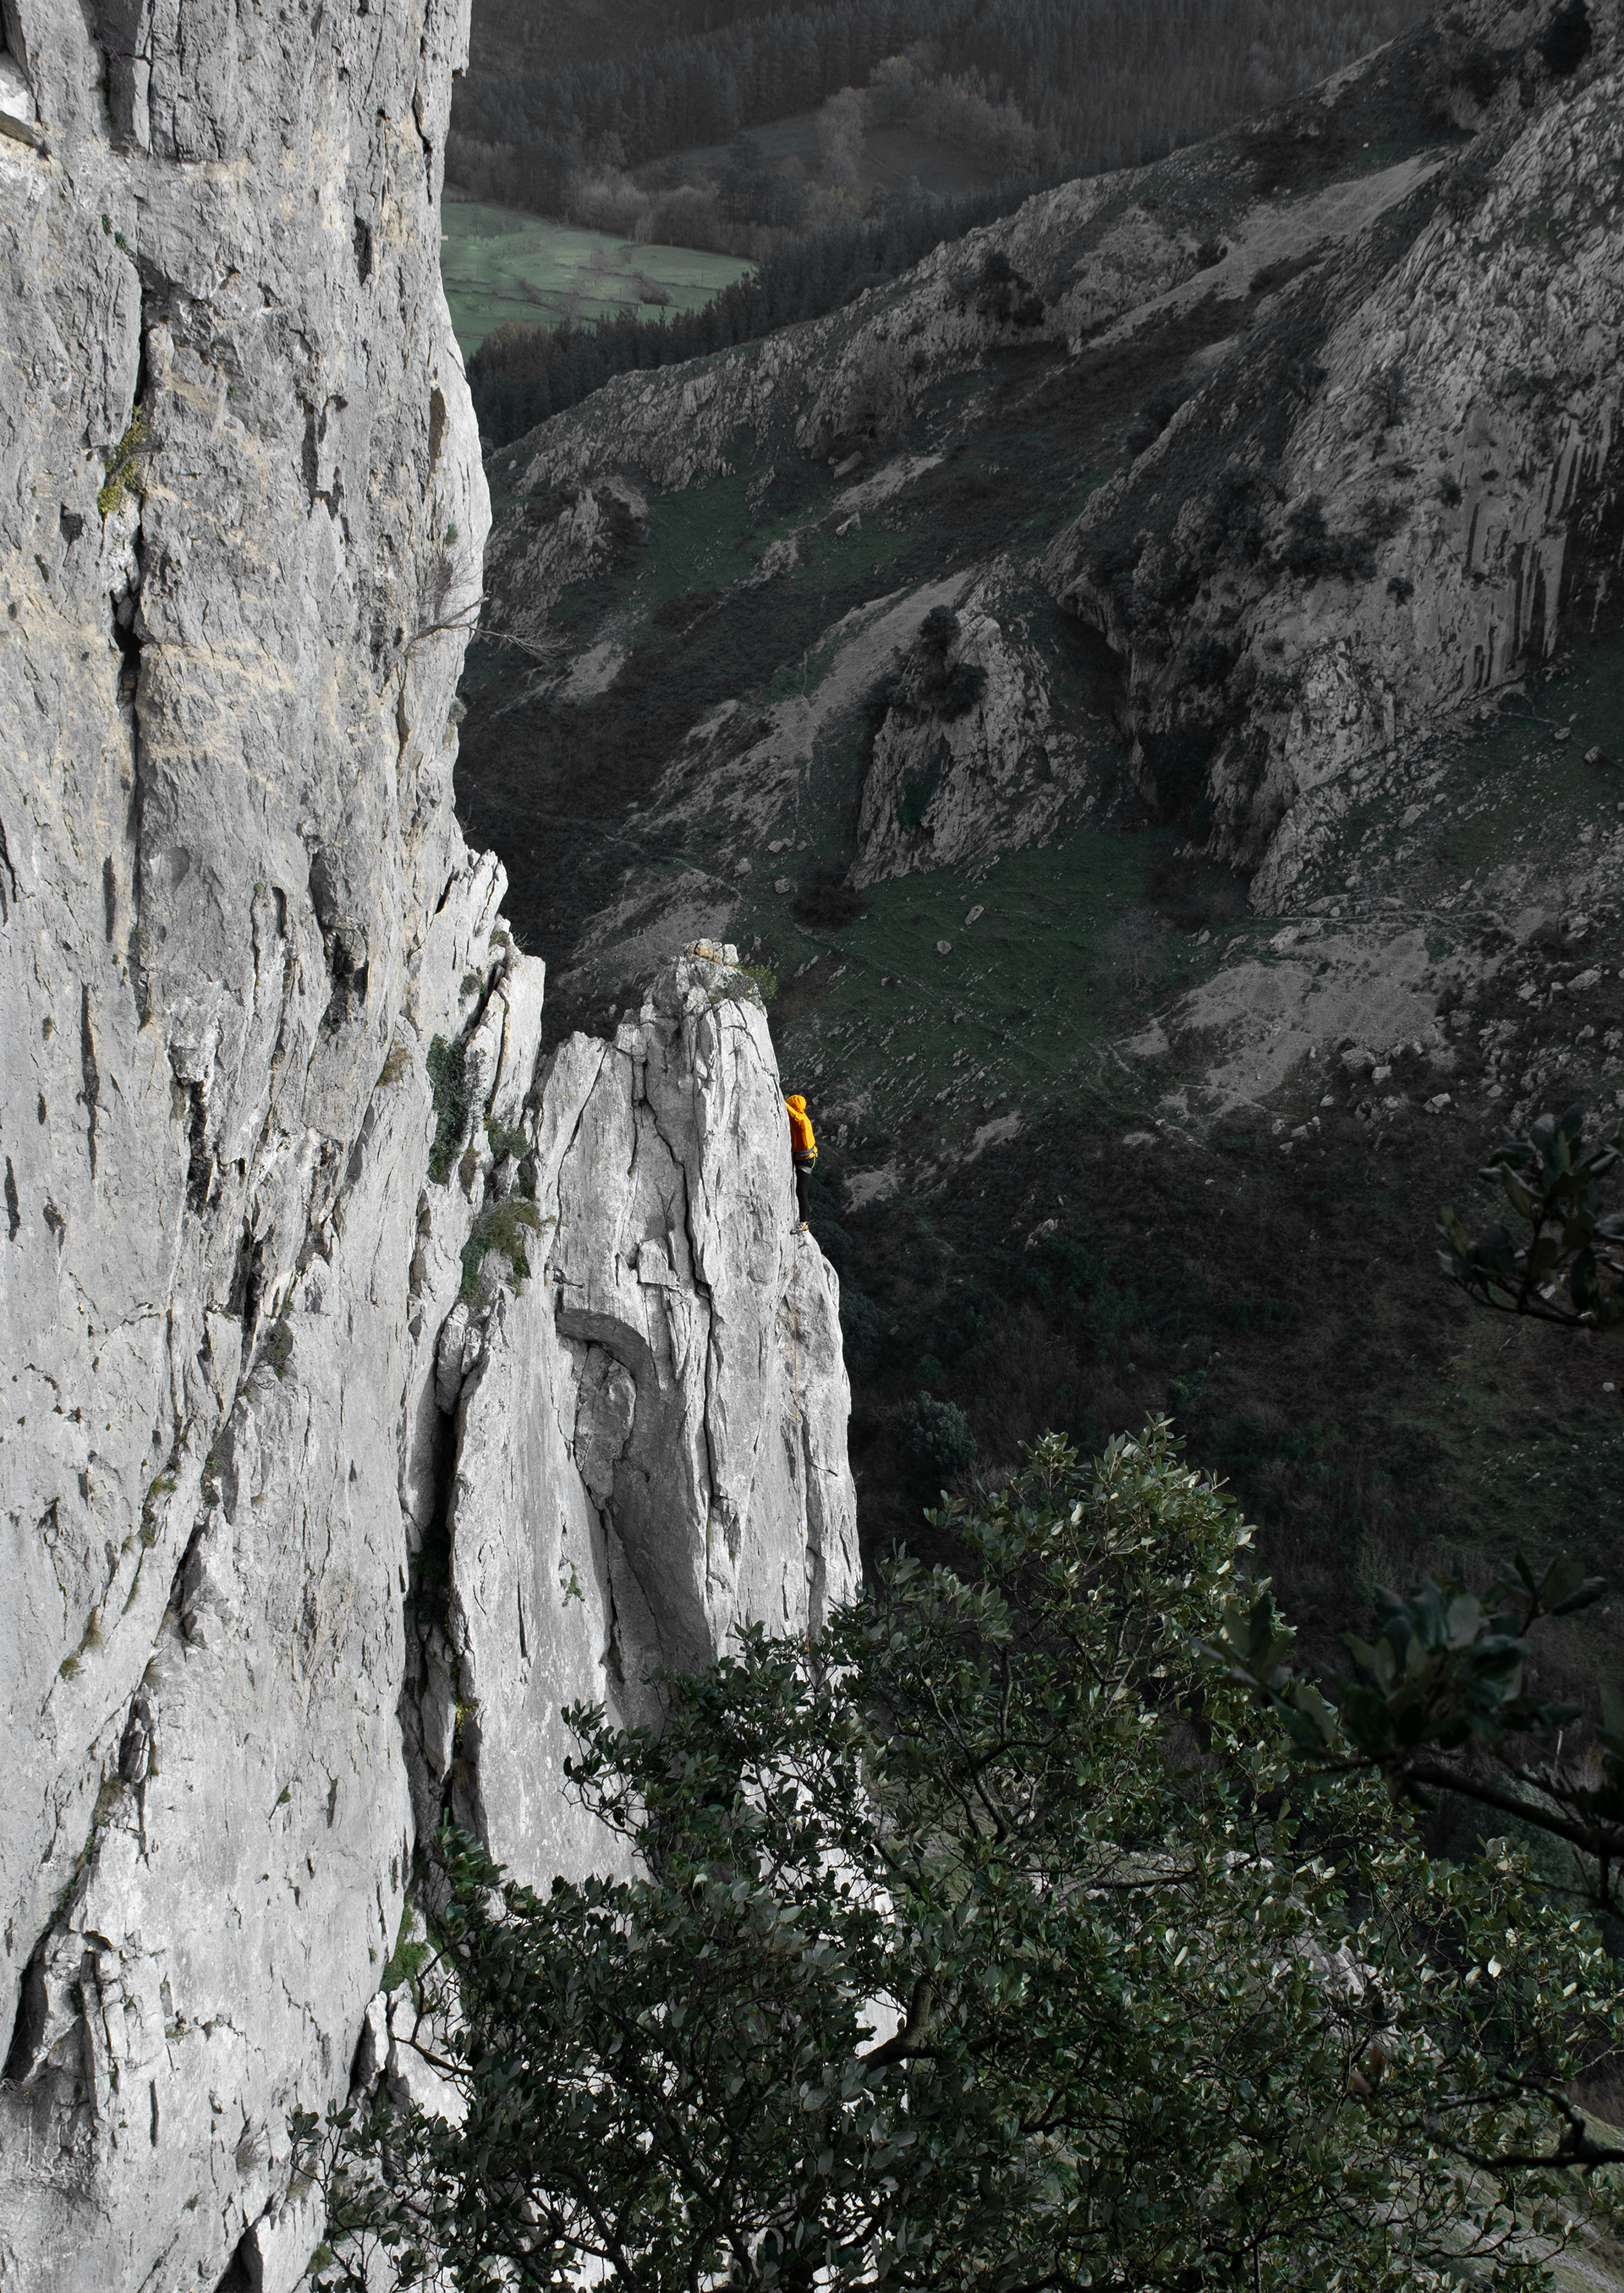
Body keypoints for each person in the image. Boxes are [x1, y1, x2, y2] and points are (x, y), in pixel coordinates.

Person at [784, 1093, 816, 1232]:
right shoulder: (803, 1116)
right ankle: (804, 1220)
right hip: (805, 1158)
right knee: (800, 1190)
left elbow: (793, 1115)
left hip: (806, 1161)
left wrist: (781, 1101)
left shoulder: (801, 1119)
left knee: (801, 1191)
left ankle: (804, 1222)